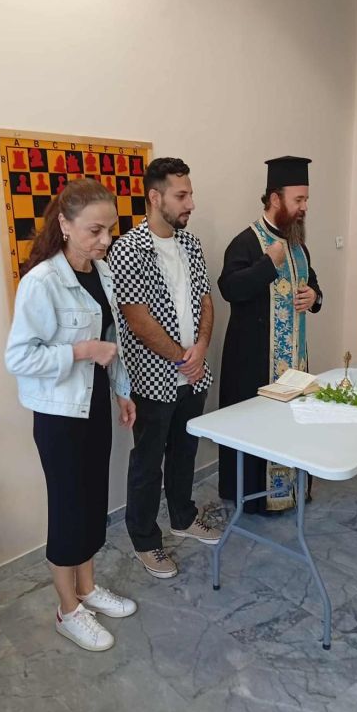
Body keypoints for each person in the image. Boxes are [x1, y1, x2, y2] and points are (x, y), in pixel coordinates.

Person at [5, 178, 137, 652]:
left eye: (110, 230)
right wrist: (80, 350)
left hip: (93, 405)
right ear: (64, 224)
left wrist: (121, 391)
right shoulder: (41, 282)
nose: (105, 240)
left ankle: (87, 587)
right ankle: (67, 609)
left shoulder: (101, 273)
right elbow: (19, 357)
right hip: (60, 415)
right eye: (94, 231)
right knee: (67, 509)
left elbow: (112, 341)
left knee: (92, 500)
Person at [108, 157, 221, 580]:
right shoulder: (128, 248)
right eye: (182, 195)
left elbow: (206, 300)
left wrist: (201, 348)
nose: (191, 203)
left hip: (193, 373)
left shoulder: (191, 244)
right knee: (148, 460)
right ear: (155, 198)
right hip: (153, 378)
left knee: (185, 451)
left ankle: (183, 517)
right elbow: (136, 318)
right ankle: (144, 540)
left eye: (190, 194)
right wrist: (181, 357)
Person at [218, 156, 322, 513]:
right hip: (253, 365)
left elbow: (313, 283)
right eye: (298, 200)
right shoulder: (246, 242)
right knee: (255, 432)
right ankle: (255, 500)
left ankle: (289, 492)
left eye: (306, 199)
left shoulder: (298, 245)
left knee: (292, 430)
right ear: (275, 199)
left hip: (294, 365)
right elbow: (230, 288)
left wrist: (314, 296)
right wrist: (268, 264)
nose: (304, 207)